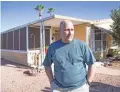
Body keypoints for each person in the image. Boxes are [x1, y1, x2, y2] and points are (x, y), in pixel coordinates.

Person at [43, 20, 96, 92]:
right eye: (67, 30)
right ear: (60, 31)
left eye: (72, 30)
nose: (70, 33)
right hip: (58, 88)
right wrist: (52, 82)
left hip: (80, 88)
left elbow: (92, 64)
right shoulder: (53, 47)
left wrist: (88, 82)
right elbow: (47, 65)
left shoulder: (82, 46)